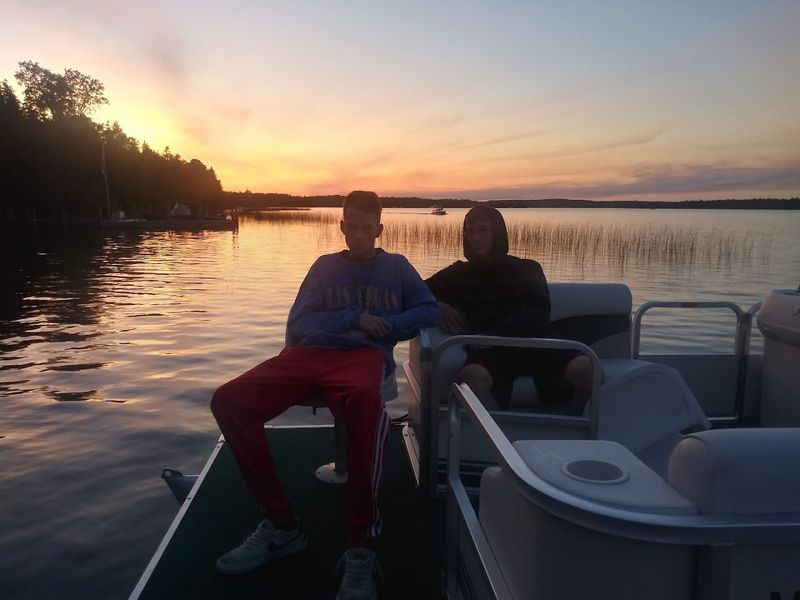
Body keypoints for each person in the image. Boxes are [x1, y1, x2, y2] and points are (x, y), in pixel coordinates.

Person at [210, 191, 439, 599]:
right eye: (353, 227)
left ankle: (360, 546)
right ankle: (282, 525)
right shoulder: (324, 267)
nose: (360, 235)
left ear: (379, 229)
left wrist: (386, 324)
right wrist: (354, 317)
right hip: (308, 354)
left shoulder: (398, 268)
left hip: (363, 357)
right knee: (228, 400)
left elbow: (428, 310)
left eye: (368, 228)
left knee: (367, 405)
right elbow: (300, 322)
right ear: (342, 226)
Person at [425, 205, 592, 415]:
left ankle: (573, 428)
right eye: (470, 231)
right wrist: (438, 306)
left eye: (483, 230)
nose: (476, 237)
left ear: (497, 232)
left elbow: (538, 316)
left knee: (587, 368)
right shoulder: (457, 274)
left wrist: (491, 337)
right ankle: (499, 434)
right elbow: (415, 290)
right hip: (489, 352)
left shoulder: (528, 269)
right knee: (471, 379)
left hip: (536, 343)